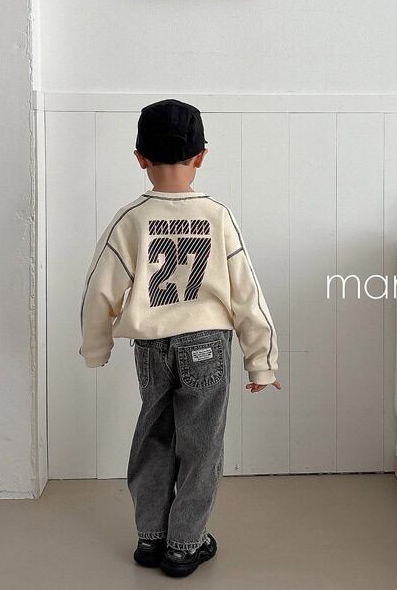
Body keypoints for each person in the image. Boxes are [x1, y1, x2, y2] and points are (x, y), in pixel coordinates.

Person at [79, 99, 281, 578]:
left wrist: (96, 347)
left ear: (140, 158)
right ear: (202, 156)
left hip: (151, 347)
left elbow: (99, 289)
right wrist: (261, 360)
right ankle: (185, 545)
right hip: (207, 344)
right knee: (201, 446)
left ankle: (151, 537)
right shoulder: (217, 216)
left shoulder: (131, 219)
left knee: (154, 435)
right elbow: (247, 293)